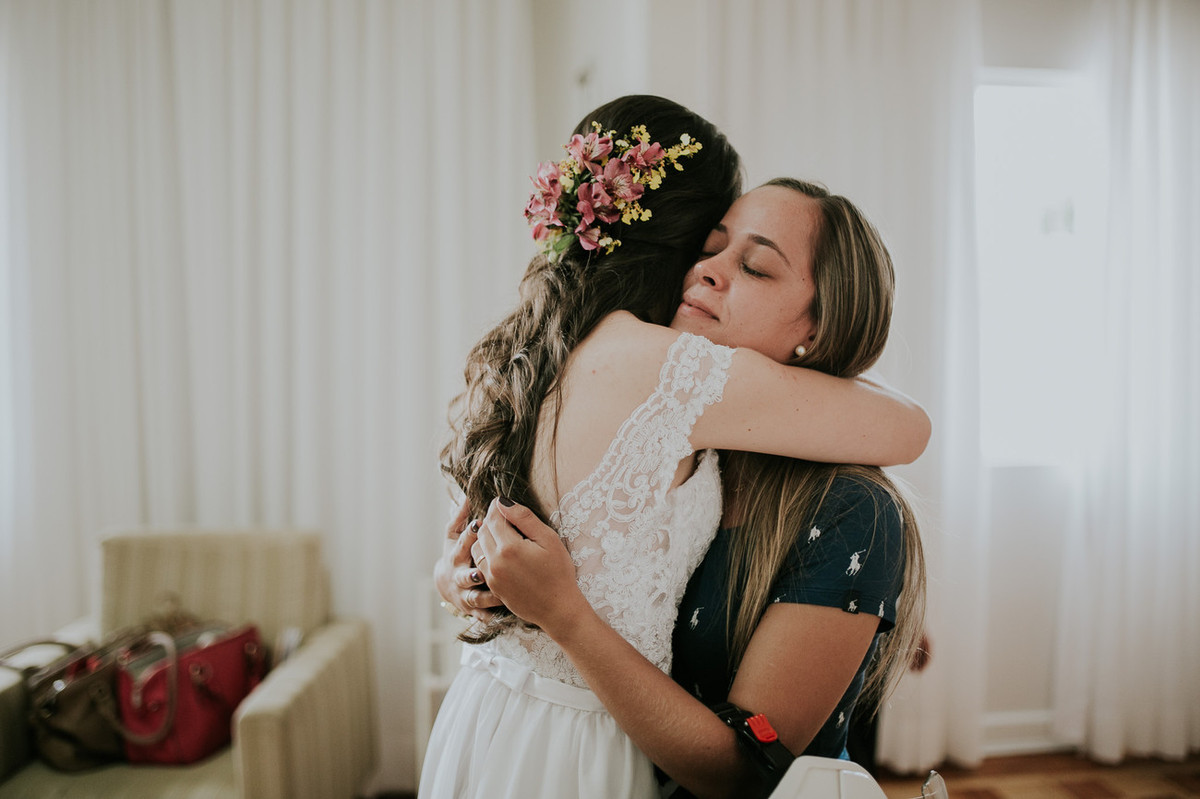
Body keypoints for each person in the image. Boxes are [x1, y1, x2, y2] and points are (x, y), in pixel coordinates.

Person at [420, 96, 929, 799]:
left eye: (756, 266)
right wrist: (465, 571)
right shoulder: (670, 402)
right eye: (710, 246)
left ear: (822, 323)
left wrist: (559, 613)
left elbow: (746, 762)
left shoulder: (845, 508)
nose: (710, 271)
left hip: (496, 732)